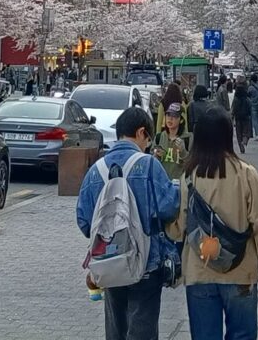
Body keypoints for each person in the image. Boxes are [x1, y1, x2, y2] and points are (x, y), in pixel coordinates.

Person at [170, 102, 258, 340]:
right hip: (240, 272)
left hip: (199, 272)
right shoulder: (246, 173)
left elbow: (178, 227)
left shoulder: (189, 176)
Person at [77, 105, 181, 340]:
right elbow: (168, 207)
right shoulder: (148, 165)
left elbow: (84, 221)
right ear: (142, 132)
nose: (148, 146)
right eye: (148, 139)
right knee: (142, 330)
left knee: (116, 330)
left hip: (109, 263)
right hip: (147, 262)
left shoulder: (97, 170)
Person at [231, 82, 255, 152]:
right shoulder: (247, 99)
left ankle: (241, 146)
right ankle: (244, 140)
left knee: (239, 133)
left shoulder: (235, 100)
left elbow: (233, 109)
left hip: (238, 118)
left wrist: (232, 117)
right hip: (246, 118)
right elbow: (250, 107)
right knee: (246, 132)